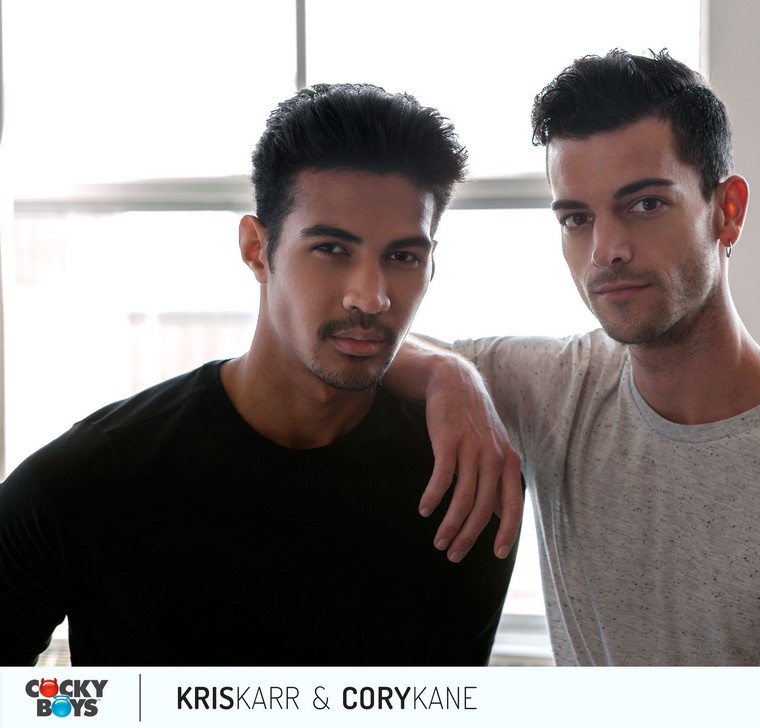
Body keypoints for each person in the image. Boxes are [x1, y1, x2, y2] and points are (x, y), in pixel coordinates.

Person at [385, 49, 760, 665]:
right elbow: (360, 348)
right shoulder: (556, 389)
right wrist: (447, 372)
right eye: (577, 218)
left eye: (645, 205)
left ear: (728, 211)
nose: (605, 250)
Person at [0, 83, 521, 666]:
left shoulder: (463, 482)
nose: (371, 297)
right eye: (331, 249)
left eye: (403, 257)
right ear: (255, 249)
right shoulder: (90, 478)